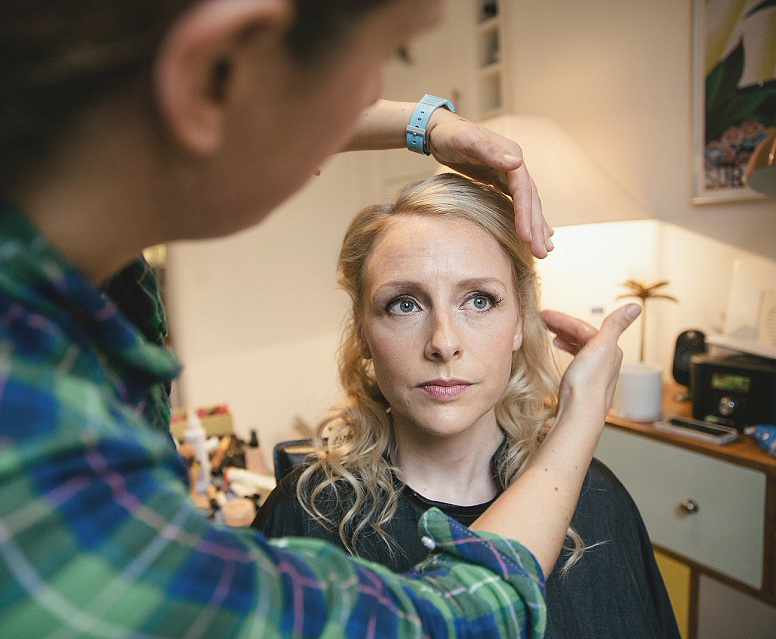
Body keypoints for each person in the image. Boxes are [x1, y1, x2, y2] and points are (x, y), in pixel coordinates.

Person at [0, 1, 638, 637]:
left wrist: (427, 125)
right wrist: (578, 420)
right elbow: (453, 622)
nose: (442, 338)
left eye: (480, 298)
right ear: (220, 69)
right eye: (385, 58)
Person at [253, 173, 680, 639]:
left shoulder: (597, 495)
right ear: (363, 334)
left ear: (520, 321)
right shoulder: (304, 514)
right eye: (403, 304)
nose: (443, 343)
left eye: (479, 300)